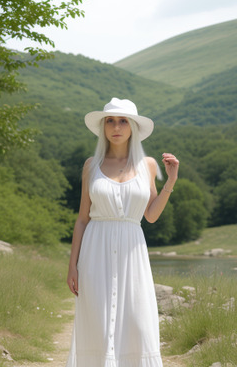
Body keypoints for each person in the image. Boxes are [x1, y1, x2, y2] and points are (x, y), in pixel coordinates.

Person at [66, 98, 179, 367]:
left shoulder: (148, 165)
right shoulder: (91, 165)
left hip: (133, 252)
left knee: (138, 322)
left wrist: (171, 181)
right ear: (104, 127)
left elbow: (150, 215)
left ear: (133, 127)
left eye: (123, 121)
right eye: (110, 121)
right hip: (95, 251)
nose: (116, 126)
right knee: (98, 323)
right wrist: (73, 265)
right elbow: (82, 219)